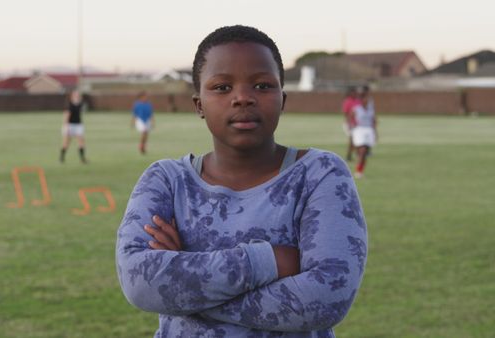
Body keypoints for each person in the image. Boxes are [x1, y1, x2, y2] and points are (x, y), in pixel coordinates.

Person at [116, 25, 367, 337]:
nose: (243, 98)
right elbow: (140, 283)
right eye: (222, 88)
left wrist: (184, 283)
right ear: (199, 106)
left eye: (262, 86)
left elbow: (328, 298)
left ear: (282, 100)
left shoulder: (319, 175)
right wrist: (268, 261)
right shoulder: (166, 181)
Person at [351, 87, 378, 178]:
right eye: (365, 99)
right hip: (359, 130)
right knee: (361, 151)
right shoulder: (357, 109)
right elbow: (350, 118)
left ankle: (359, 171)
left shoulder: (371, 109)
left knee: (364, 152)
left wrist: (375, 132)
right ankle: (358, 170)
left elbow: (374, 120)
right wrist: (352, 127)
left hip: (369, 130)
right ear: (362, 100)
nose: (367, 100)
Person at [60, 89, 87, 164]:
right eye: (75, 94)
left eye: (78, 95)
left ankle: (82, 159)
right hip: (70, 125)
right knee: (66, 143)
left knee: (81, 142)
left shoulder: (80, 104)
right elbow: (66, 116)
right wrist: (66, 127)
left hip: (78, 125)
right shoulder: (69, 104)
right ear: (72, 96)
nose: (77, 96)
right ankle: (62, 158)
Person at [341, 86, 360, 161]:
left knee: (356, 140)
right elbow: (346, 113)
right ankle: (349, 155)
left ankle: (357, 153)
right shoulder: (347, 101)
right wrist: (349, 123)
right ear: (350, 93)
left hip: (358, 124)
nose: (355, 94)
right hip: (350, 123)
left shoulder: (358, 101)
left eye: (355, 92)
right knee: (352, 139)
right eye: (353, 92)